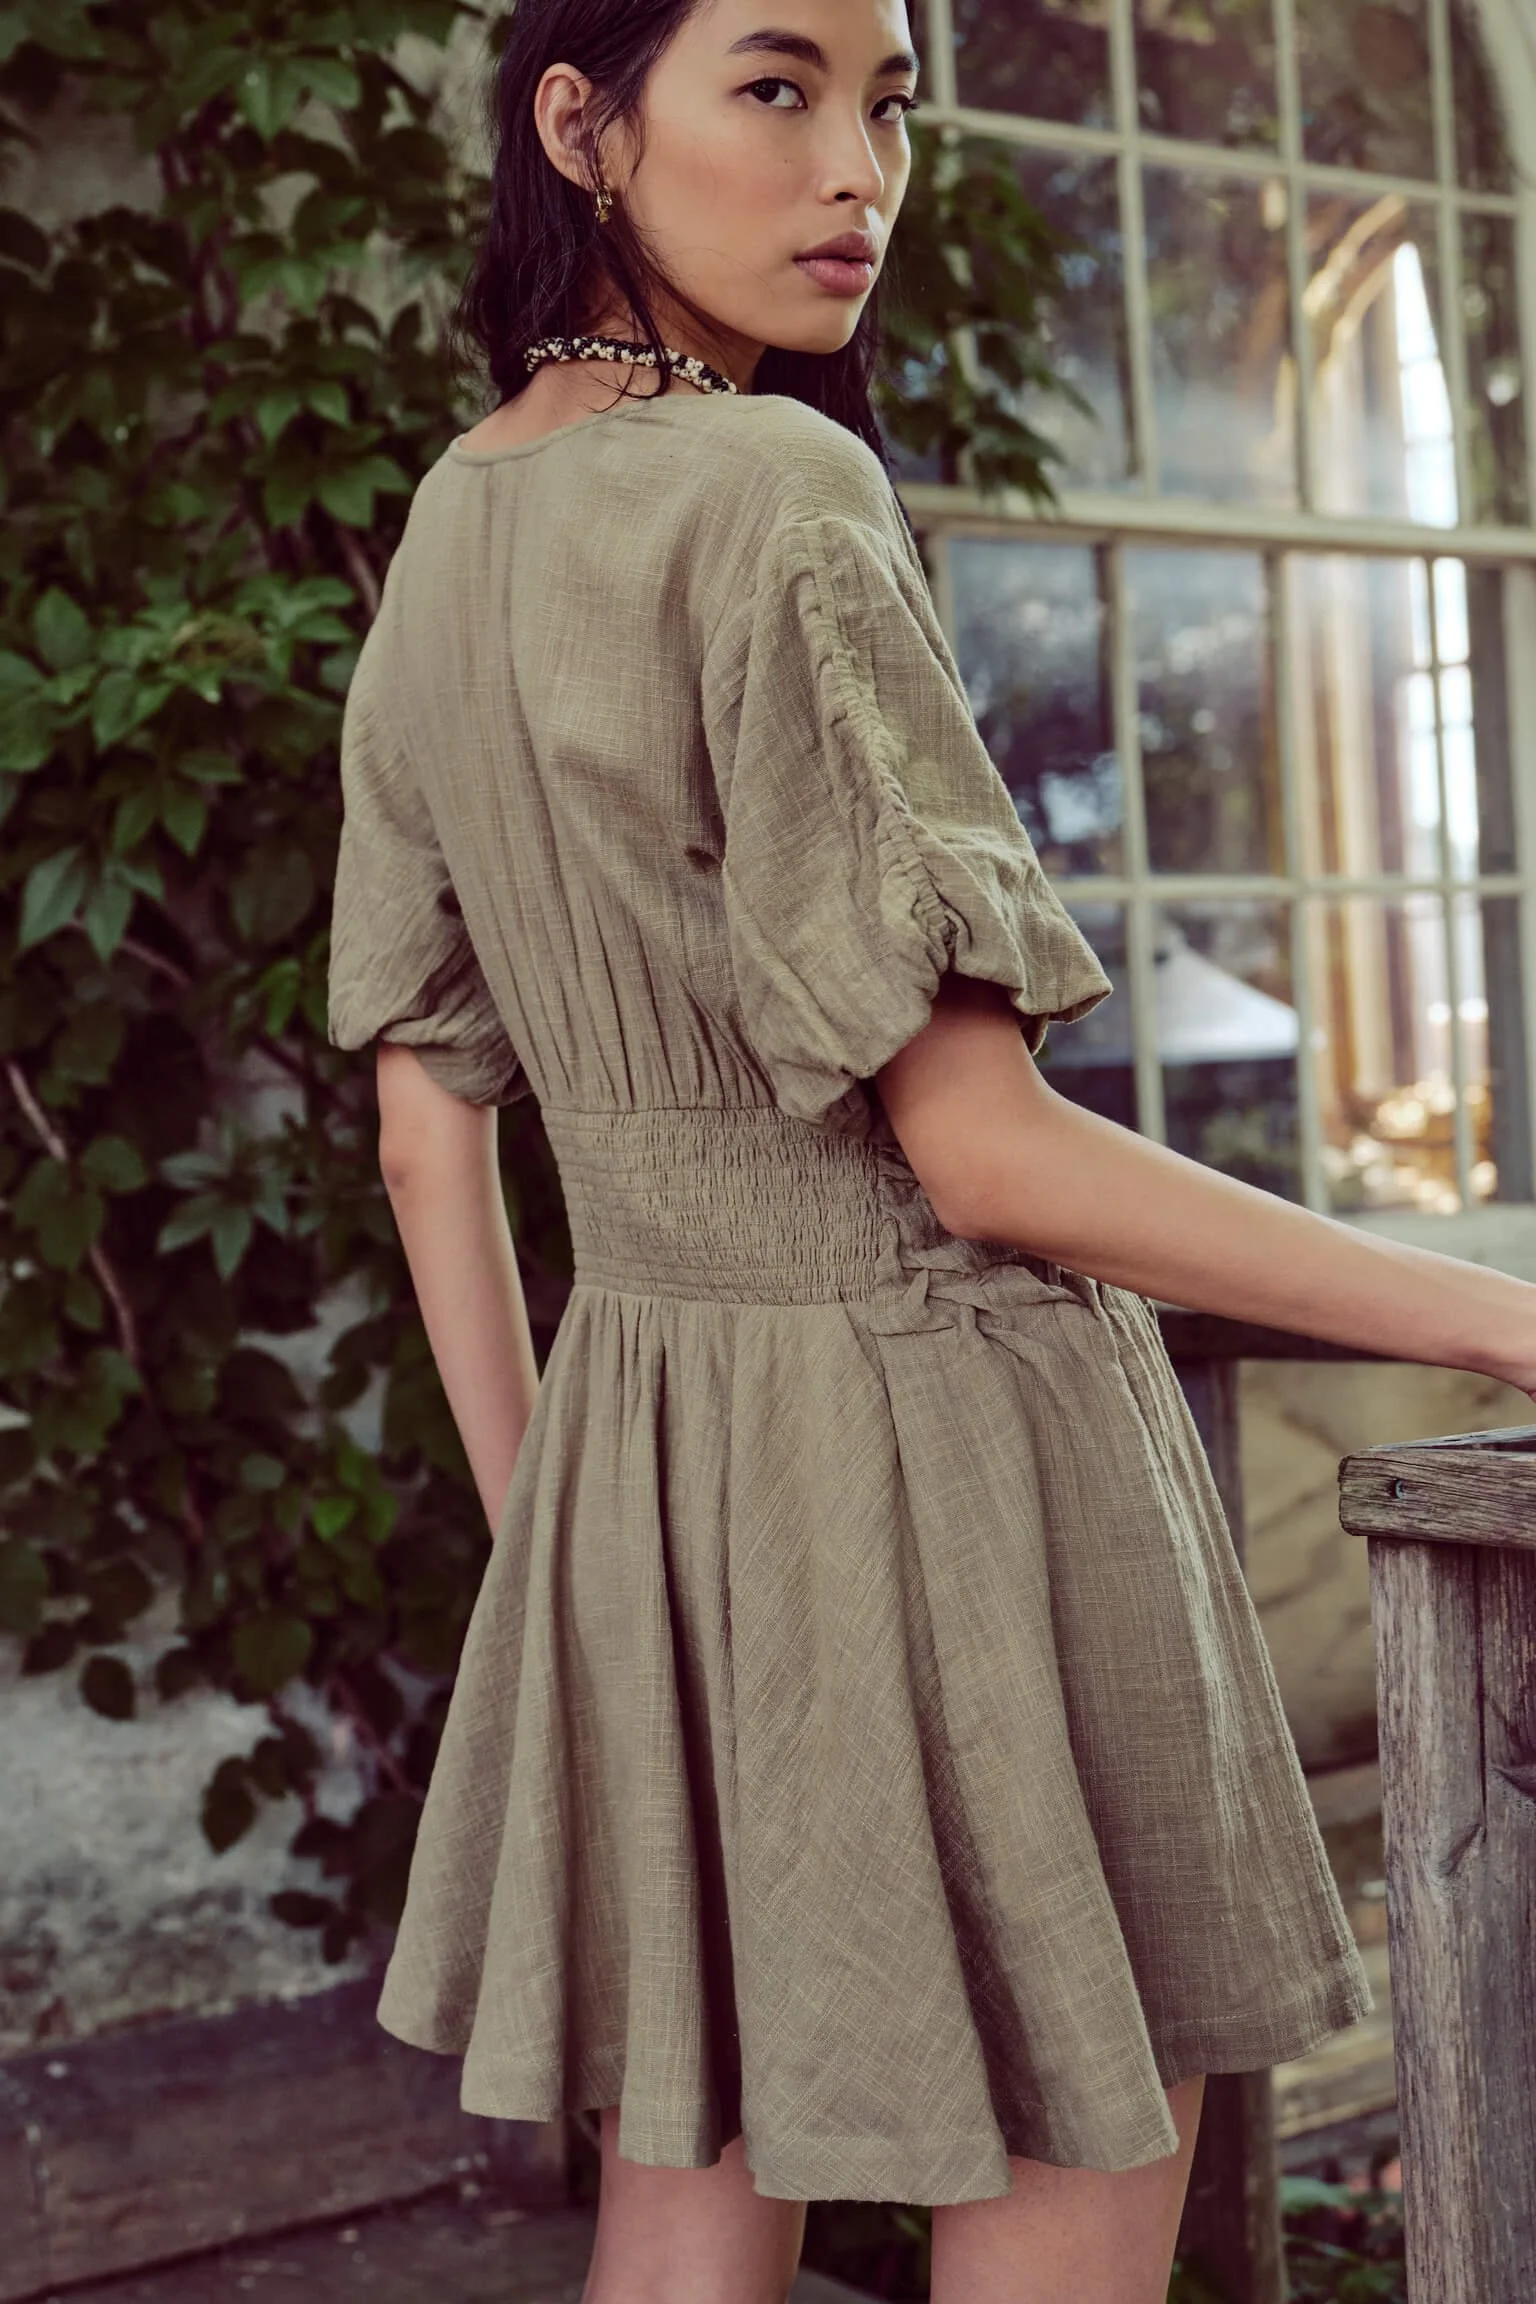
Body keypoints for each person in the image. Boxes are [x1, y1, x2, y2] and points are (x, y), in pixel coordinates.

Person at [325, 4, 1536, 2300]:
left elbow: (424, 1127)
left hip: (665, 1470)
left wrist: (567, 1554)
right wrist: (1503, 1310)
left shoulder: (457, 520)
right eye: (772, 91)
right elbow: (981, 1155)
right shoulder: (776, 488)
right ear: (581, 125)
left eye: (886, 103)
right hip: (956, 1451)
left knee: (692, 2216)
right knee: (1074, 2174)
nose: (852, 170)